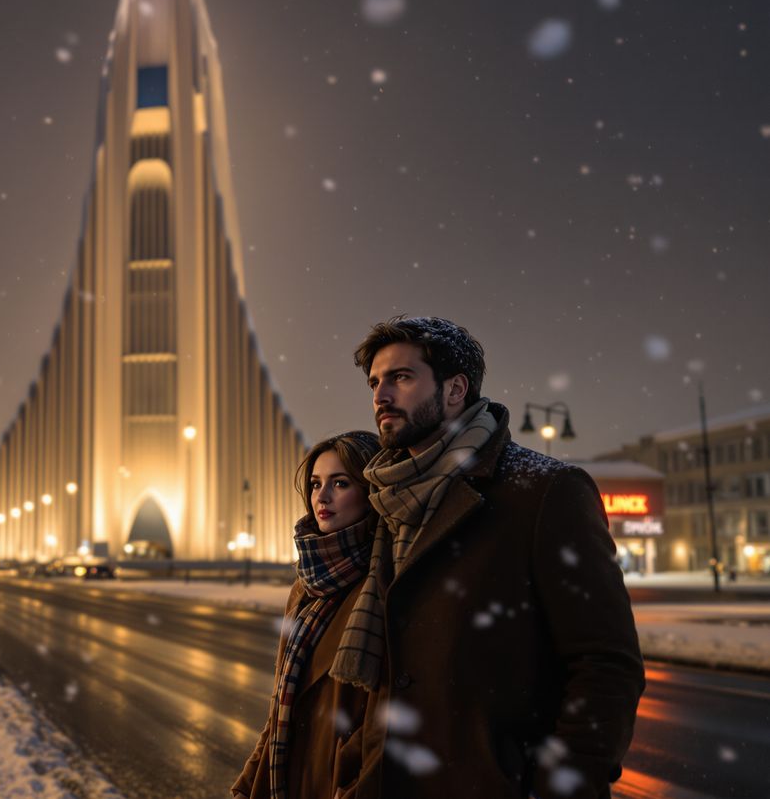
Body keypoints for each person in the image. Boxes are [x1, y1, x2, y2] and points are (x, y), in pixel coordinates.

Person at [335, 316, 644, 799]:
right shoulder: (388, 498)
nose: (380, 396)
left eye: (401, 377)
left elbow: (606, 663)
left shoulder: (545, 491)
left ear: (456, 389)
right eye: (376, 381)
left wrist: (561, 785)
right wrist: (357, 763)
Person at [232, 430, 382, 799]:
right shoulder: (305, 587)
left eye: (341, 483)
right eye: (315, 484)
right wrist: (247, 785)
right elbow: (281, 704)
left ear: (370, 491)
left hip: (338, 784)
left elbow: (385, 721)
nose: (322, 497)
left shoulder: (383, 585)